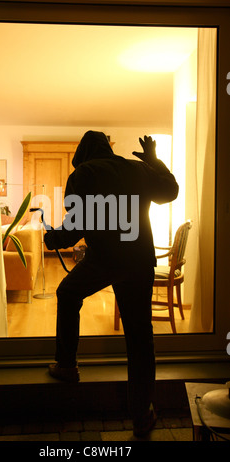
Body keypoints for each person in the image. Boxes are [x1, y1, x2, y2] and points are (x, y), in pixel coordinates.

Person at [44, 130, 179, 437]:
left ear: (83, 153)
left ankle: (67, 365)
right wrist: (155, 161)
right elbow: (170, 192)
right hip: (139, 260)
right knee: (140, 338)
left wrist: (54, 239)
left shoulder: (84, 173)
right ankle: (142, 415)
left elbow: (77, 222)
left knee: (67, 293)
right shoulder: (138, 169)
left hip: (103, 259)